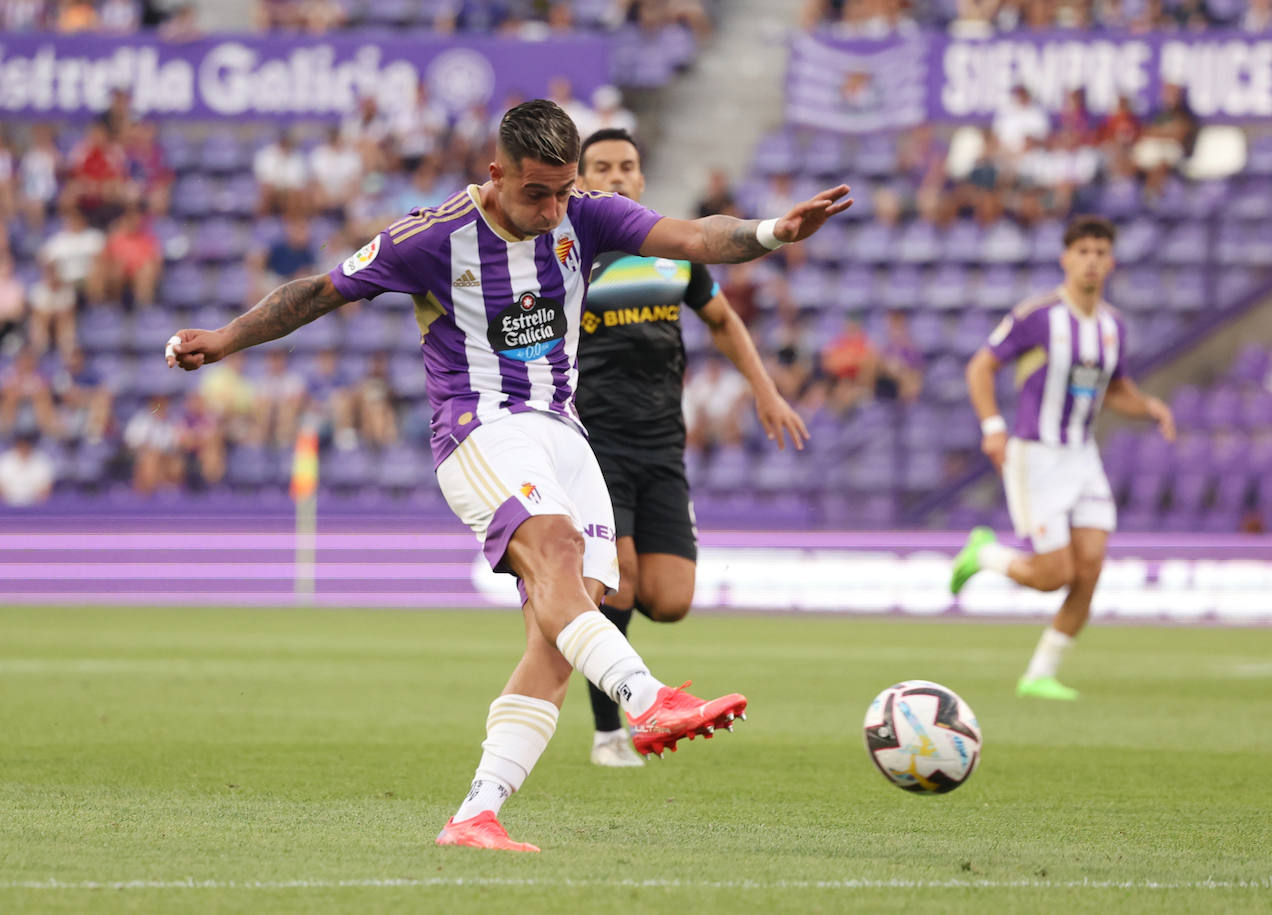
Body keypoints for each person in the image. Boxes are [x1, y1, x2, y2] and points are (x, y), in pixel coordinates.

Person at [166, 100, 851, 851]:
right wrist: (226, 339)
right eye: (539, 193)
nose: (555, 208)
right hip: (480, 429)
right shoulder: (429, 238)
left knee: (561, 633)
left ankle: (476, 813)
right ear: (496, 174)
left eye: (564, 190)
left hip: (566, 434)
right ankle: (646, 697)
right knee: (556, 556)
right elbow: (318, 292)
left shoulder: (585, 215)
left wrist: (771, 232)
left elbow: (693, 238)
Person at [574, 128, 809, 767]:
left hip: (662, 446)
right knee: (617, 587)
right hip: (592, 447)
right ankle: (609, 734)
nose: (617, 177)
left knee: (669, 601)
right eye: (603, 167)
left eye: (628, 166)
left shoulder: (671, 254)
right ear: (581, 181)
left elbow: (722, 319)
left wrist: (764, 390)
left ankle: (600, 641)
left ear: (642, 181)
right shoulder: (566, 257)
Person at [949, 216, 1175, 701]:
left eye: (1100, 252)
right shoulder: (1038, 316)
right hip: (1036, 456)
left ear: (1110, 262)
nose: (1091, 260)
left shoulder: (1113, 326)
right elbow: (980, 367)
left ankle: (1040, 674)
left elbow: (1115, 389)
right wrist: (993, 428)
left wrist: (1150, 407)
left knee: (1090, 568)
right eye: (1083, 251)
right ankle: (983, 554)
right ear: (1066, 259)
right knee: (1054, 576)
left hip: (1082, 456)